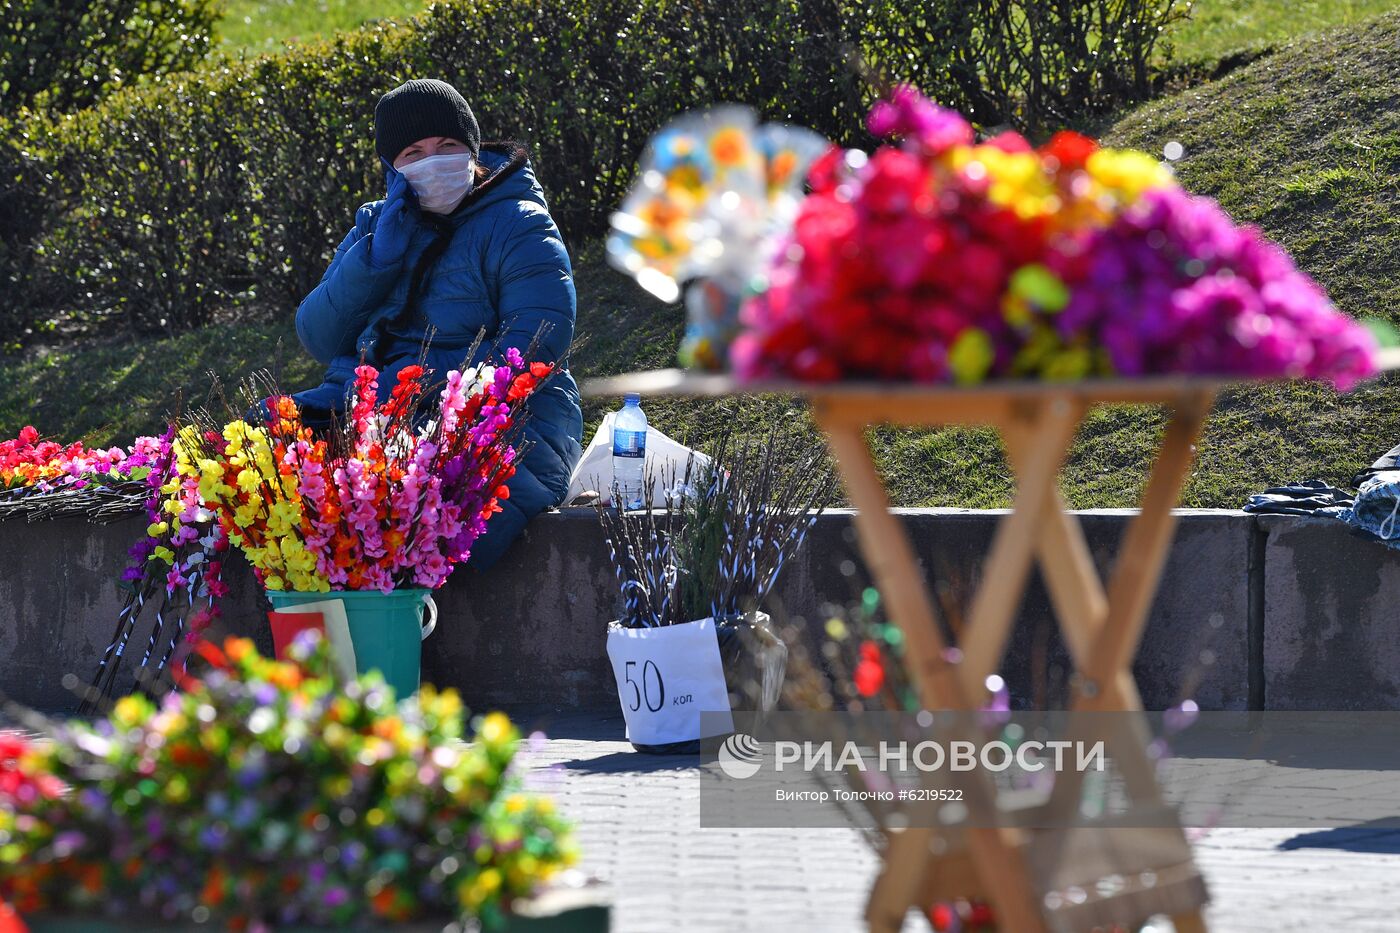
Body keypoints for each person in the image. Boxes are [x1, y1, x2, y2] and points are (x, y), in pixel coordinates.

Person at [291, 78, 582, 571]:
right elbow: (319, 337)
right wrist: (376, 259)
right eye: (414, 152)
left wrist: (408, 383)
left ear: (472, 151)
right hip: (378, 412)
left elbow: (535, 350)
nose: (434, 160)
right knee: (273, 479)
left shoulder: (519, 222)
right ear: (392, 167)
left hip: (508, 421)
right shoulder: (375, 225)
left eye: (448, 146)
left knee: (420, 514)